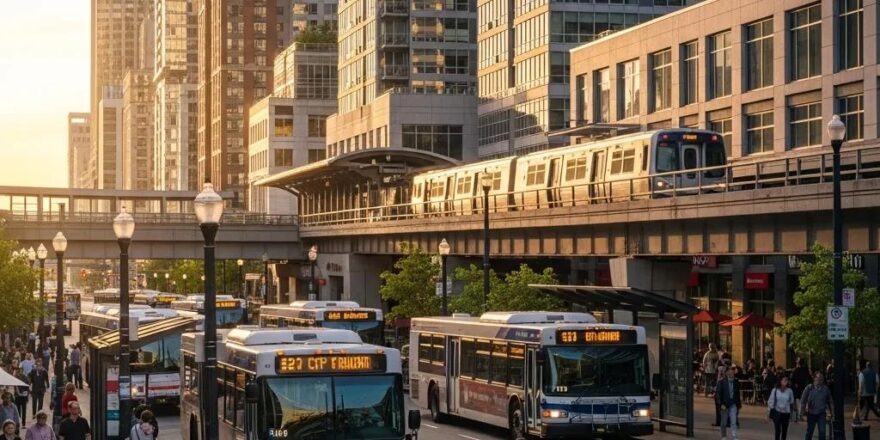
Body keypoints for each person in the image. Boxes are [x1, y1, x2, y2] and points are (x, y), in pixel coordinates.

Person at [802, 372, 833, 440]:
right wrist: (801, 413)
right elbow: (803, 400)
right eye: (817, 379)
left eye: (821, 379)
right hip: (811, 413)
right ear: (814, 379)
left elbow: (830, 401)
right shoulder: (809, 388)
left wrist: (832, 412)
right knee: (810, 431)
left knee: (822, 431)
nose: (819, 381)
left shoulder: (825, 389)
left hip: (821, 413)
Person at [716, 365, 741, 440]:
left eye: (732, 371)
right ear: (726, 373)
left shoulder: (736, 382)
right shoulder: (722, 382)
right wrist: (721, 404)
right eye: (729, 372)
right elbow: (719, 394)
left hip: (733, 404)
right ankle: (724, 436)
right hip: (724, 404)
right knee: (724, 422)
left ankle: (734, 436)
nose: (731, 373)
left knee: (733, 421)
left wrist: (738, 404)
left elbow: (737, 394)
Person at [768, 375, 796, 440]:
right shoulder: (775, 390)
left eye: (787, 380)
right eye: (784, 380)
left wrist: (794, 415)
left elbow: (792, 402)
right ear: (780, 381)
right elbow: (770, 401)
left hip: (786, 413)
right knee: (777, 431)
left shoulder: (789, 391)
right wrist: (769, 411)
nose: (786, 381)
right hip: (777, 412)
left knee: (784, 431)